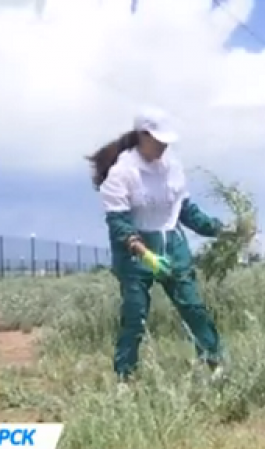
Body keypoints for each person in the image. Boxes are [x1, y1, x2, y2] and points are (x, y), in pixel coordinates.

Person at [87, 107, 231, 379]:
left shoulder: (172, 167)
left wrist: (220, 230)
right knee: (135, 315)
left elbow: (185, 211)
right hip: (134, 252)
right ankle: (125, 378)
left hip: (172, 244)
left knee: (192, 306)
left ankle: (215, 364)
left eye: (166, 141)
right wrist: (146, 256)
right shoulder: (122, 173)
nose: (163, 146)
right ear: (142, 135)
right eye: (158, 140)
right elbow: (119, 225)